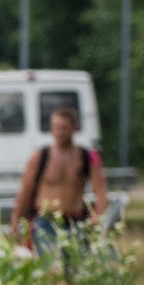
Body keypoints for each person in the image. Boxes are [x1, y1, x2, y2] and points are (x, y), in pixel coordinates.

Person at [9, 101, 108, 255]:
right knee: (51, 269)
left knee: (74, 270)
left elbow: (101, 192)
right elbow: (25, 191)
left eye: (63, 128)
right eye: (55, 127)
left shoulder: (86, 157)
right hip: (45, 222)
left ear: (75, 128)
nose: (59, 132)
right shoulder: (40, 157)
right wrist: (15, 221)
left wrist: (98, 216)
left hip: (75, 222)